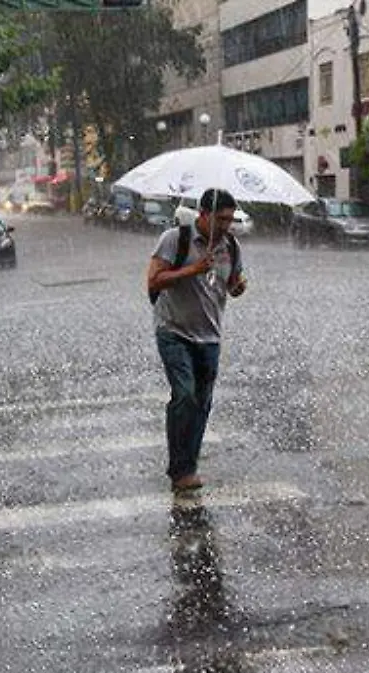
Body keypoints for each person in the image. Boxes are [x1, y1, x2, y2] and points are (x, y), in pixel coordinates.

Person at [146, 188, 248, 493]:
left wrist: (238, 287)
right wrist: (193, 269)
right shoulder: (174, 239)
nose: (226, 225)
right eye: (221, 218)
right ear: (203, 215)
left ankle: (188, 466)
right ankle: (179, 468)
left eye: (230, 219)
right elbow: (153, 280)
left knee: (202, 403)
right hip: (173, 330)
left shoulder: (231, 245)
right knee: (185, 395)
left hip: (210, 336)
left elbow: (232, 284)